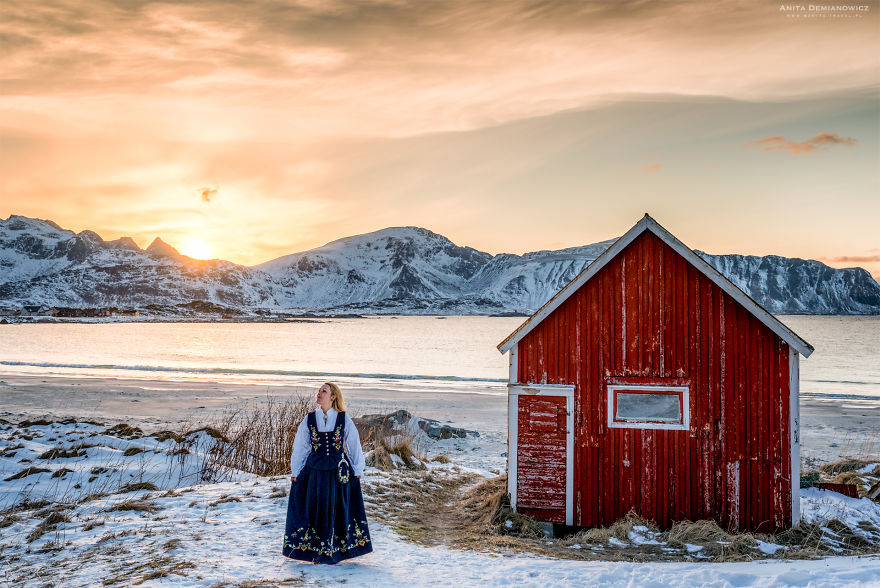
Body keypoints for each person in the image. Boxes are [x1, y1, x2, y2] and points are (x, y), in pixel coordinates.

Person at [283, 382, 372, 563]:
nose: (319, 393)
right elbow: (300, 446)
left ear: (333, 397)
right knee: (315, 509)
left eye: (323, 391)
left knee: (337, 510)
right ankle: (314, 550)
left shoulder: (343, 418)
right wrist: (296, 471)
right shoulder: (309, 419)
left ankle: (337, 550)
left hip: (338, 474)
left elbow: (354, 444)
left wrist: (357, 469)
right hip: (315, 473)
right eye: (319, 391)